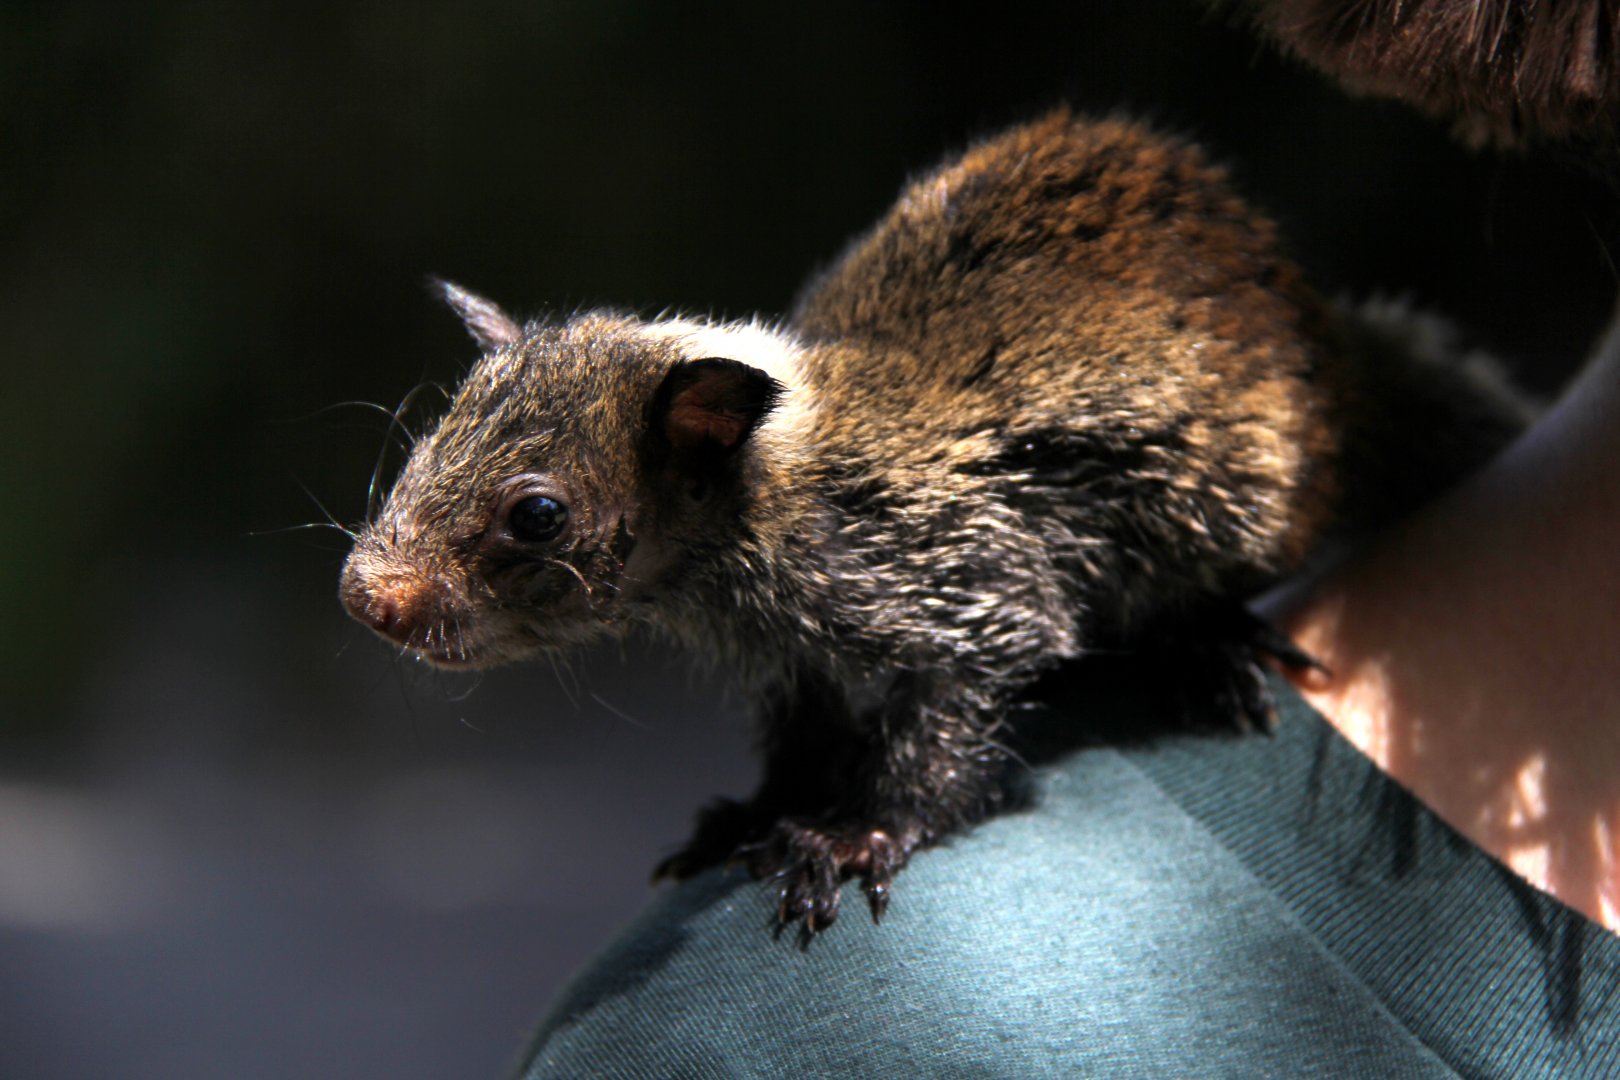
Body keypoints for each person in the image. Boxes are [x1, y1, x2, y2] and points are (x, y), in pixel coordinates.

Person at [511, 8, 1620, 1075]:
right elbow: (812, 666)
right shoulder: (737, 1041)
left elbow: (987, 637)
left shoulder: (826, 507)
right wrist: (788, 793)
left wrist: (885, 821)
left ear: (703, 437)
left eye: (533, 526)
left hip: (1222, 418)